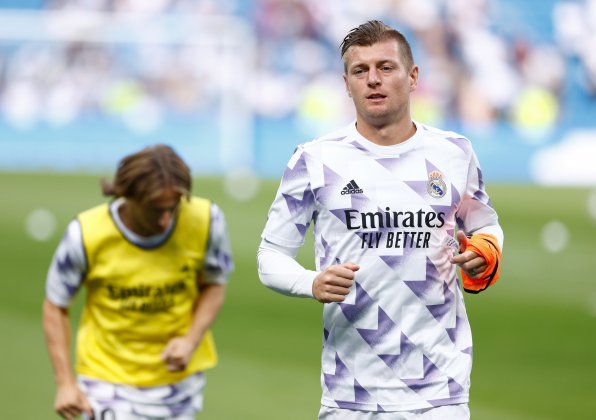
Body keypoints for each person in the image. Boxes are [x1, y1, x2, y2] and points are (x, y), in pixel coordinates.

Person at [257, 20, 503, 419]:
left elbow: (484, 225)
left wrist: (488, 250)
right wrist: (311, 282)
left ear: (413, 76)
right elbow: (270, 256)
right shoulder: (315, 159)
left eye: (386, 67)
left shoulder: (454, 153)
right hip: (351, 394)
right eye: (361, 70)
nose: (373, 79)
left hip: (441, 390)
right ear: (346, 83)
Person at [43, 144, 233, 420]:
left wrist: (191, 340)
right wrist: (64, 383)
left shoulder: (207, 220)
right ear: (127, 195)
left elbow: (215, 284)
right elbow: (55, 305)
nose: (166, 219)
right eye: (156, 209)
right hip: (106, 379)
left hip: (178, 384)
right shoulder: (85, 235)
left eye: (174, 207)